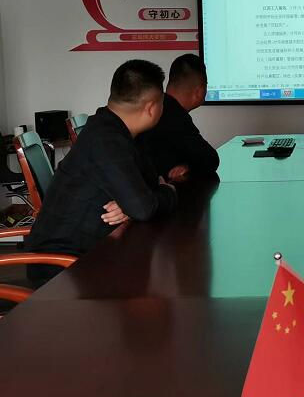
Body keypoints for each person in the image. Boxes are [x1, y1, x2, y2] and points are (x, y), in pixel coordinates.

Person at [26, 59, 178, 263]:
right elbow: (143, 207)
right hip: (62, 264)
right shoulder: (106, 140)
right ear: (151, 108)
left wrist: (131, 204)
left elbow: (145, 189)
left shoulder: (114, 129)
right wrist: (168, 191)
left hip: (94, 248)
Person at [139, 54, 219, 180]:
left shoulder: (155, 106)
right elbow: (210, 158)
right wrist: (190, 166)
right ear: (199, 91)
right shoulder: (175, 115)